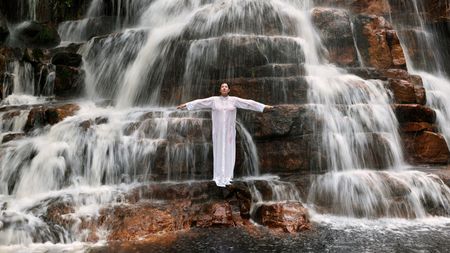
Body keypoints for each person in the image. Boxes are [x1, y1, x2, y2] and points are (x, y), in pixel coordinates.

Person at [177, 83, 273, 187]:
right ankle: (218, 177)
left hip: (229, 132)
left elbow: (248, 103)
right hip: (218, 132)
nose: (224, 88)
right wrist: (186, 105)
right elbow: (200, 102)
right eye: (222, 86)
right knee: (218, 152)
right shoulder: (214, 100)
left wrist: (263, 107)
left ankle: (228, 177)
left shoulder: (234, 100)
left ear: (228, 90)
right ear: (220, 90)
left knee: (229, 152)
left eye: (226, 87)